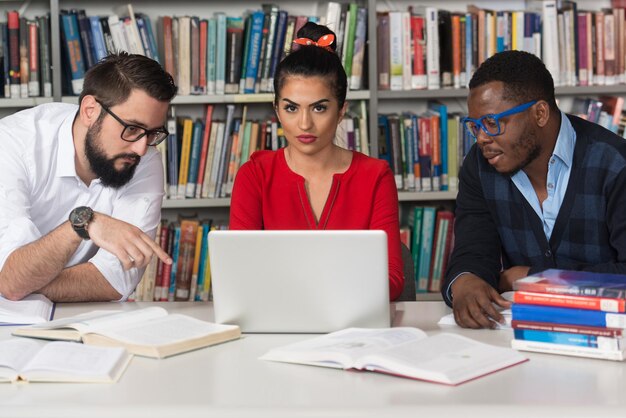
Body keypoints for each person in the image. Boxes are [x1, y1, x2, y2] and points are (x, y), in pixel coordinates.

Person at [443, 50, 626, 328]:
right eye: (474, 126)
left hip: (608, 335)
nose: (481, 138)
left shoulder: (614, 165)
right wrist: (466, 280)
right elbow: (473, 250)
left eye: (492, 123)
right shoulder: (480, 167)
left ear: (539, 113)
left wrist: (533, 276)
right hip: (523, 335)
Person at [229, 22, 404, 300]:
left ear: (341, 110)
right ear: (276, 110)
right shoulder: (254, 175)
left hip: (354, 329)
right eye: (291, 108)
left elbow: (392, 279)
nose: (304, 123)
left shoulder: (376, 176)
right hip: (277, 327)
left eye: (319, 108)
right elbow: (240, 274)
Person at [0, 52, 177, 302]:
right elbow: (10, 281)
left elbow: (117, 281)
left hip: (81, 319)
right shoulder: (12, 143)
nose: (141, 148)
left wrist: (28, 281)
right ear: (90, 111)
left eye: (152, 133)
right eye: (132, 129)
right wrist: (82, 224)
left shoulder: (144, 157)